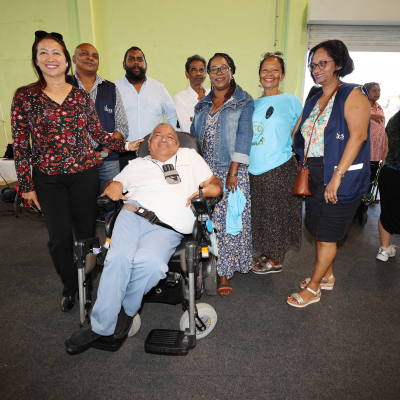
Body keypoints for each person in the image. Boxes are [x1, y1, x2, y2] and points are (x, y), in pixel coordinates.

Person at [11, 31, 143, 312]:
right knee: (59, 239)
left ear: (65, 61)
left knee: (89, 236)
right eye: (43, 53)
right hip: (48, 179)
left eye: (56, 52)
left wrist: (126, 144)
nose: (50, 58)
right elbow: (21, 144)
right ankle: (71, 285)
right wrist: (27, 184)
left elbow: (98, 132)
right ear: (36, 60)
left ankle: (89, 281)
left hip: (84, 174)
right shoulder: (25, 97)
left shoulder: (79, 96)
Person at [64, 123, 222, 352]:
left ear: (178, 144)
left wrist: (212, 190)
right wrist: (114, 184)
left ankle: (127, 311)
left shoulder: (190, 157)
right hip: (132, 214)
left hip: (167, 227)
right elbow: (111, 185)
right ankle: (100, 325)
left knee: (152, 265)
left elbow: (215, 182)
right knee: (118, 258)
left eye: (170, 136)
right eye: (158, 135)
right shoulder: (136, 164)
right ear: (149, 144)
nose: (164, 139)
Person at [289, 39, 370, 307]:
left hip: (339, 173)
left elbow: (357, 137)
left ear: (338, 64)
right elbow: (302, 133)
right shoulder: (315, 98)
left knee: (326, 233)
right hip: (314, 172)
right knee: (317, 227)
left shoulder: (353, 93)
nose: (316, 69)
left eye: (323, 63)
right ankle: (327, 276)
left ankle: (313, 288)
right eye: (313, 65)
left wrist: (337, 176)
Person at [191, 53, 254, 297]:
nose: (218, 72)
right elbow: (195, 139)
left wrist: (233, 172)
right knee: (207, 224)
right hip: (206, 172)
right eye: (214, 68)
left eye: (223, 68)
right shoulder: (202, 104)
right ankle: (207, 263)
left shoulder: (243, 100)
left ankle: (223, 272)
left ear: (232, 71)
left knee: (227, 225)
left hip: (231, 172)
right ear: (208, 73)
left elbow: (244, 137)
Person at [249, 52, 302, 273]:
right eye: (265, 70)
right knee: (261, 214)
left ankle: (276, 259)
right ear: (259, 74)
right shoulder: (252, 103)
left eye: (275, 70)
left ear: (282, 75)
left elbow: (301, 131)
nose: (269, 74)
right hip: (253, 168)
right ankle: (267, 253)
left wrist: (289, 145)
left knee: (276, 215)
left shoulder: (291, 100)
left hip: (279, 167)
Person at [69, 43, 130, 220]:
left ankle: (114, 243)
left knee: (113, 207)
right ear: (74, 59)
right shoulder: (64, 86)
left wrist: (102, 153)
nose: (90, 58)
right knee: (79, 208)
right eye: (84, 54)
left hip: (108, 160)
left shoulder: (110, 88)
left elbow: (122, 127)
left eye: (95, 56)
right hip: (75, 161)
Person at [115, 46, 178, 170]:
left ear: (146, 65)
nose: (136, 62)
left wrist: (172, 141)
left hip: (155, 152)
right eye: (131, 59)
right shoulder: (114, 88)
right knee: (126, 188)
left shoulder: (159, 88)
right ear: (124, 64)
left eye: (140, 59)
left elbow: (172, 115)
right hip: (124, 153)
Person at [376, 110, 400, 261]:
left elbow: (386, 149)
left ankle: (384, 250)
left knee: (387, 211)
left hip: (390, 172)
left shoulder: (394, 119)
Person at [174, 55, 210, 132]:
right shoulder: (180, 98)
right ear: (187, 74)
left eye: (201, 70)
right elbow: (187, 128)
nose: (198, 73)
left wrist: (194, 120)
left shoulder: (213, 94)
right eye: (194, 70)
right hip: (193, 143)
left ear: (205, 74)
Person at [365, 82, 385, 195]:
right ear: (367, 93)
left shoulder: (379, 107)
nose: (377, 93)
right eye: (374, 90)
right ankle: (361, 199)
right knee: (365, 175)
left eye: (379, 90)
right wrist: (370, 116)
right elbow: (356, 118)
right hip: (366, 148)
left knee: (373, 175)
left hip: (377, 150)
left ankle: (368, 196)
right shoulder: (362, 106)